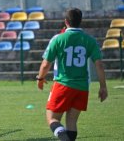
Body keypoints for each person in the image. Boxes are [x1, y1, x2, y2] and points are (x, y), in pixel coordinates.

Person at [36, 8, 108, 141]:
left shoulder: (58, 39)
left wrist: (40, 78)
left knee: (52, 118)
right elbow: (99, 65)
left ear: (66, 22)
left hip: (63, 84)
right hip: (82, 87)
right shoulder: (90, 40)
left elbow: (46, 64)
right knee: (72, 122)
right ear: (80, 22)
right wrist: (103, 87)